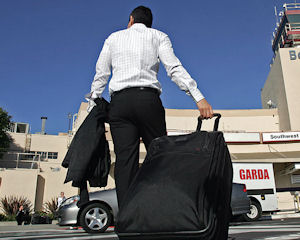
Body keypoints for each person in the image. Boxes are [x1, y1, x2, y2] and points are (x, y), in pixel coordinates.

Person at [86, 6, 213, 207]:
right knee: (160, 155)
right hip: (148, 101)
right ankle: (162, 210)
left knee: (125, 161)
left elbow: (101, 74)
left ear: (130, 20)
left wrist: (93, 103)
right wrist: (199, 98)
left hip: (120, 104)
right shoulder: (159, 36)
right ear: (148, 23)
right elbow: (174, 69)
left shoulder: (113, 38)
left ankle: (128, 219)